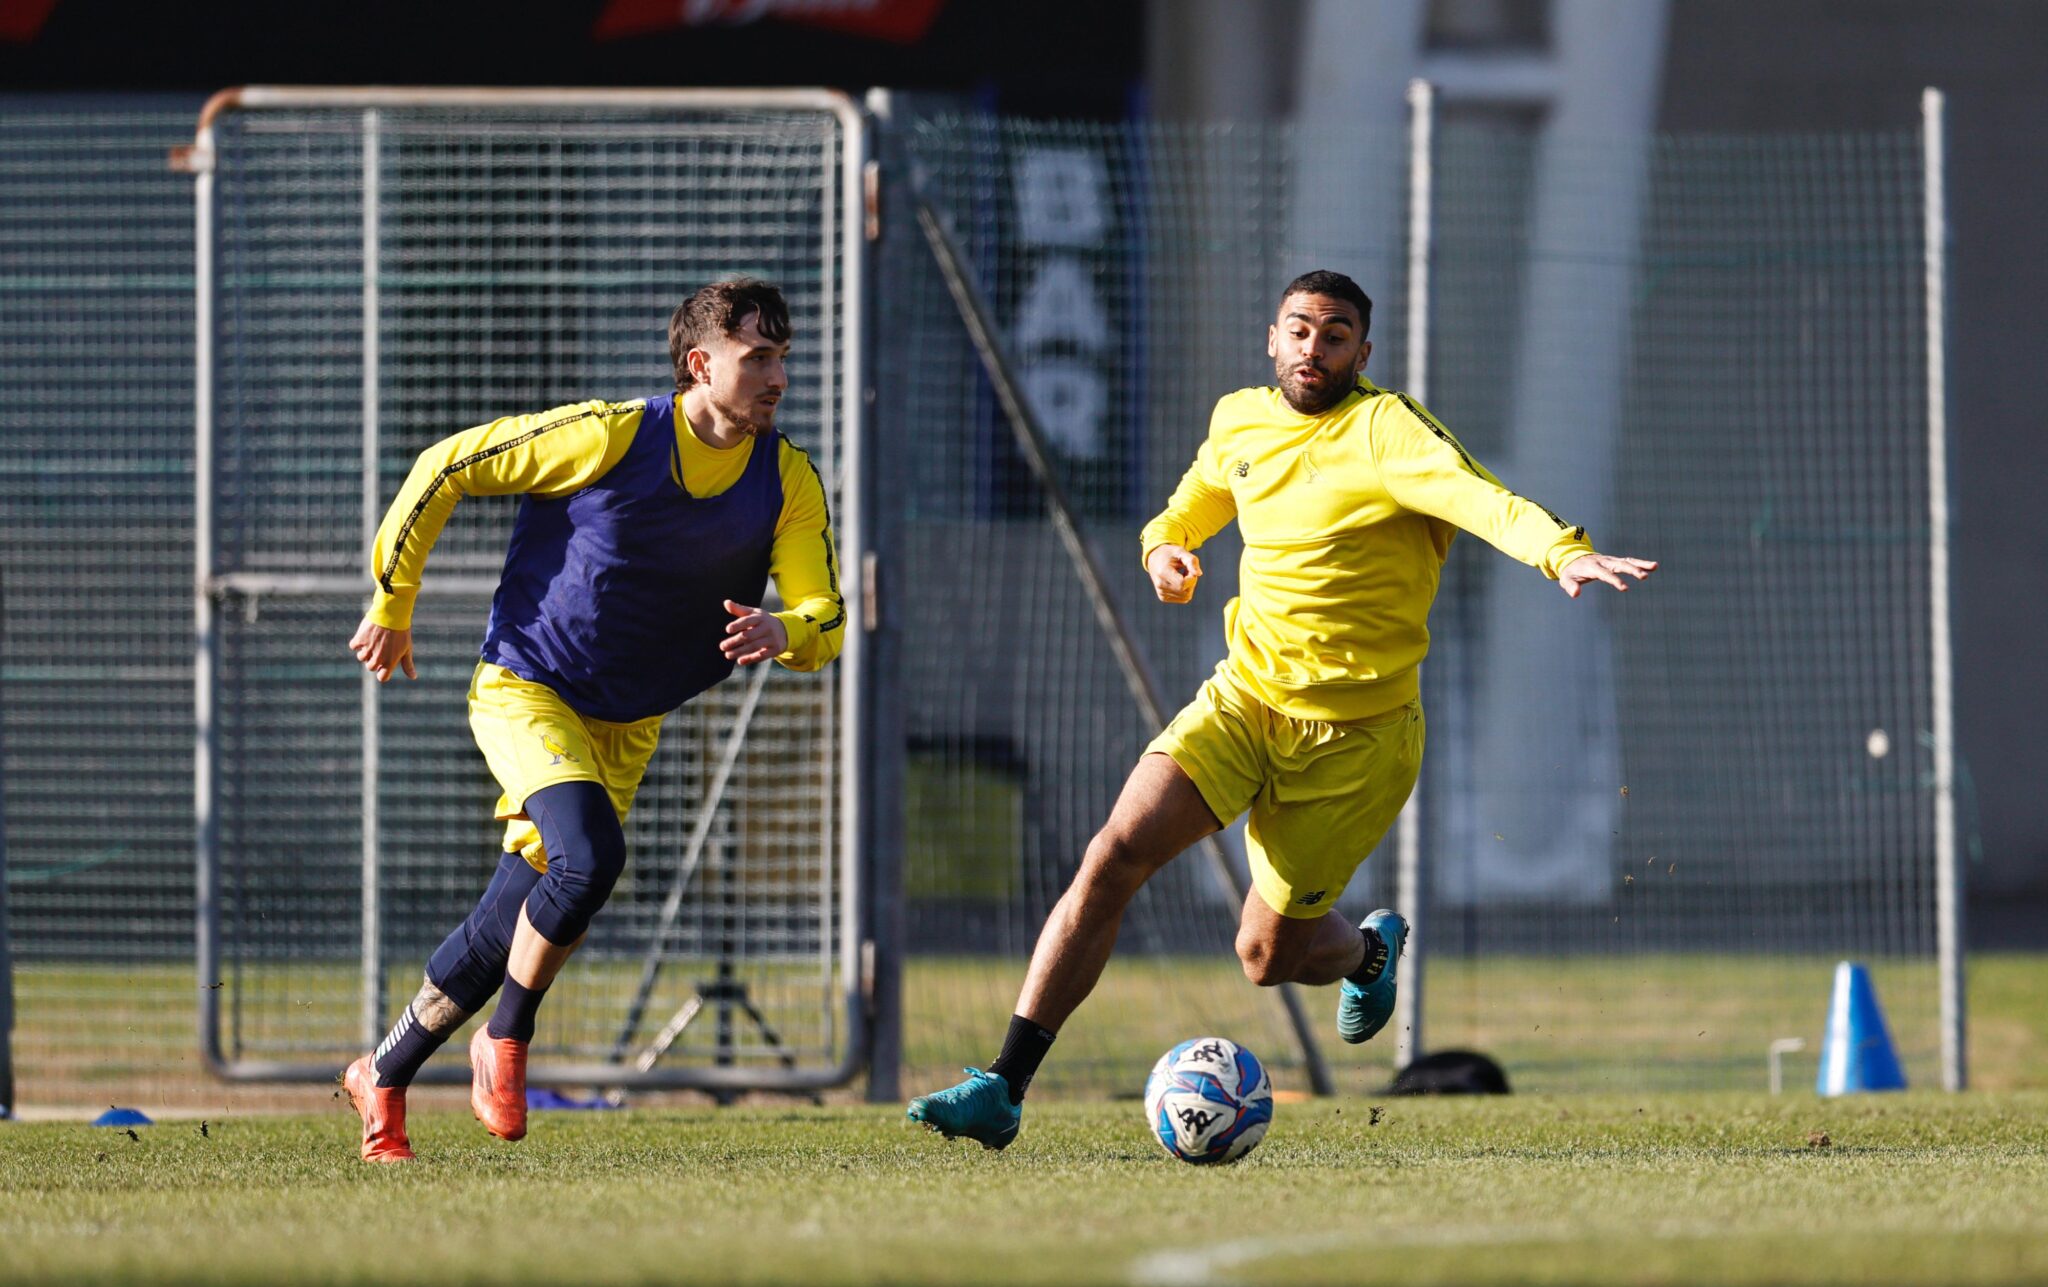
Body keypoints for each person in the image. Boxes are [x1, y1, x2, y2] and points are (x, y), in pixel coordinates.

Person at [907, 269, 1656, 1149]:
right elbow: (1188, 507)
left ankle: (1365, 955)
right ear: (1273, 338)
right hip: (1245, 699)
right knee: (1112, 853)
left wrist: (1561, 555)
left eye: (1336, 335)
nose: (1314, 348)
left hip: (1356, 743)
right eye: (1300, 330)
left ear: (1361, 353)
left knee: (1265, 958)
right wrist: (1165, 551)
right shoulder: (1241, 420)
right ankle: (1003, 1085)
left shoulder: (1387, 430)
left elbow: (1486, 501)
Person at [340, 278, 844, 1162]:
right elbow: (446, 466)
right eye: (757, 357)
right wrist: (393, 599)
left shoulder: (787, 477)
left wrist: (788, 628)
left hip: (629, 718)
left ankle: (383, 1070)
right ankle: (505, 1041)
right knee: (593, 857)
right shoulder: (610, 434)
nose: (777, 378)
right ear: (701, 362)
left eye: (783, 360)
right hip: (528, 685)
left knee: (513, 916)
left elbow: (825, 614)